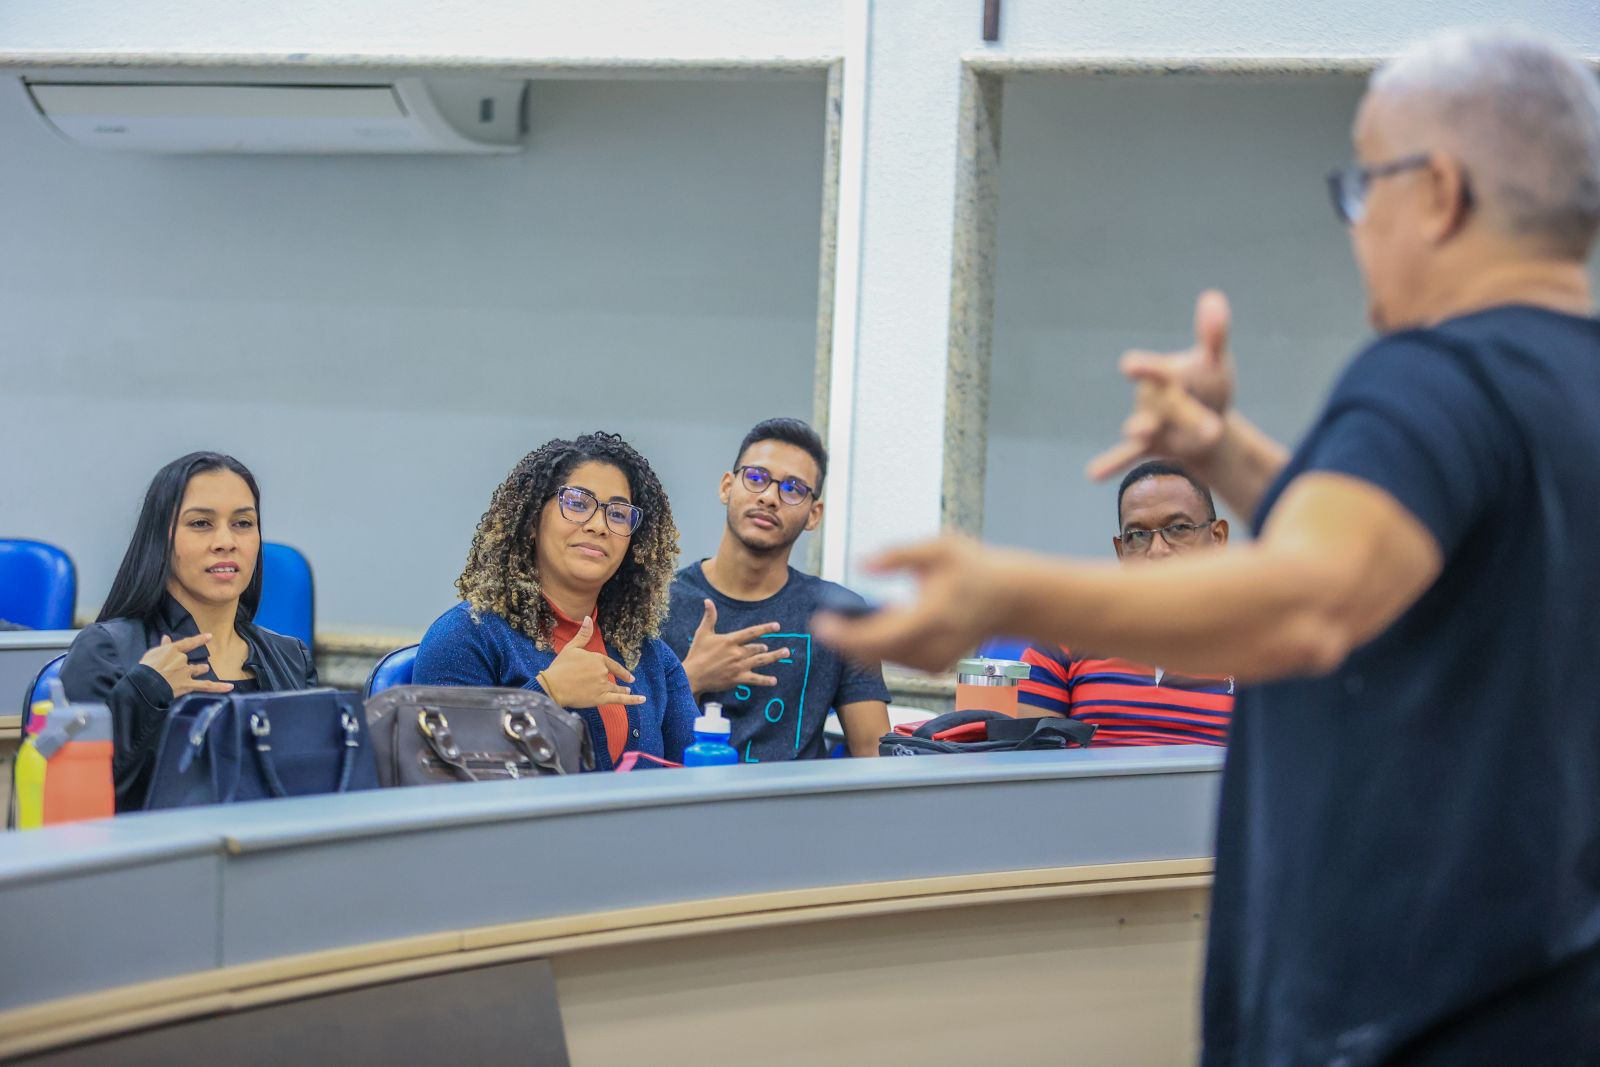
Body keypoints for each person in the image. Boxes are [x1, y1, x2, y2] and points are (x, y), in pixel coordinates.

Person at [817, 26, 1600, 1063]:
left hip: (1409, 1004)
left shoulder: (1428, 378)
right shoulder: (1567, 389)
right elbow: (1401, 561)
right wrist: (1223, 451)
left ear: (1439, 194)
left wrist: (1010, 590)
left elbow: (1311, 601)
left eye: (1362, 190)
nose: (1355, 227)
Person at [415, 432, 696, 769]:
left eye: (618, 514)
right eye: (577, 503)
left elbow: (701, 779)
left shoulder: (651, 658)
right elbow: (445, 774)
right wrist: (546, 693)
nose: (598, 525)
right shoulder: (466, 637)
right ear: (533, 520)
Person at [60, 452, 317, 812]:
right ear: (161, 539)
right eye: (200, 524)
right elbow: (71, 804)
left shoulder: (291, 657)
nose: (226, 541)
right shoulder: (107, 650)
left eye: (243, 523)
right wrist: (145, 692)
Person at [660, 418, 890, 761]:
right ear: (727, 487)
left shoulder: (842, 615)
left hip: (798, 811)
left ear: (814, 514)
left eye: (793, 488)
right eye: (756, 478)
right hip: (686, 809)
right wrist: (691, 678)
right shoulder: (657, 602)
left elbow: (875, 754)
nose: (769, 497)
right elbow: (628, 744)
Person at [1016, 460, 1233, 746]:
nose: (1157, 551)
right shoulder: (1065, 637)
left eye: (1179, 528)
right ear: (1121, 551)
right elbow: (1026, 768)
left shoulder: (1267, 645)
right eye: (1138, 536)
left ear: (1217, 538)